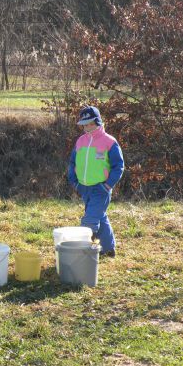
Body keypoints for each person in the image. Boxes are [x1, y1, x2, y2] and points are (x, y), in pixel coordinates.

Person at [67, 106, 124, 257]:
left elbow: (118, 166)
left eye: (89, 124)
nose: (86, 127)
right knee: (100, 216)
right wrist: (75, 182)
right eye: (84, 125)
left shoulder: (109, 142)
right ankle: (108, 248)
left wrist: (107, 185)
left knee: (90, 220)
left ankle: (83, 252)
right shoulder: (80, 141)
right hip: (84, 187)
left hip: (101, 188)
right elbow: (72, 163)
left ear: (97, 122)